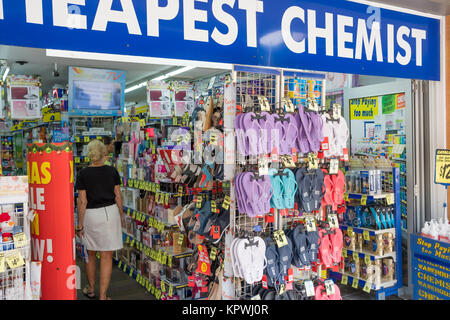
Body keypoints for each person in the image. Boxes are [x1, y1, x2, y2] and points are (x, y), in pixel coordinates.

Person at [75, 140, 124, 300]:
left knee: (90, 254)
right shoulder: (112, 171)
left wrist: (80, 225)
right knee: (106, 256)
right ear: (104, 153)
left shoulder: (83, 174)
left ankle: (91, 289)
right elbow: (118, 196)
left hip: (91, 216)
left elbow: (82, 202)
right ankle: (103, 296)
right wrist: (121, 215)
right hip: (110, 214)